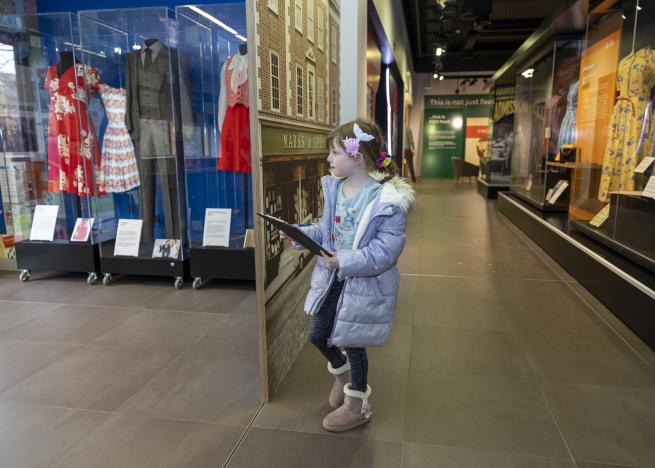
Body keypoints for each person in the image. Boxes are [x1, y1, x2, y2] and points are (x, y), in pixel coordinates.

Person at [281, 119, 415, 432]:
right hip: (334, 279)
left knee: (353, 342)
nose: (329, 159)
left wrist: (344, 260)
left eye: (334, 152)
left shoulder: (385, 202)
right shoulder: (336, 188)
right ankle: (342, 379)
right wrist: (300, 234)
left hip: (363, 284)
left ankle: (357, 406)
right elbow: (327, 232)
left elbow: (384, 253)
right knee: (318, 335)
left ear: (357, 157)